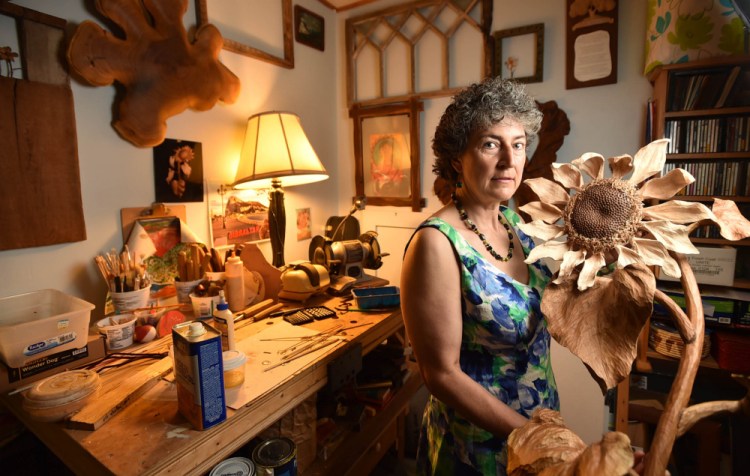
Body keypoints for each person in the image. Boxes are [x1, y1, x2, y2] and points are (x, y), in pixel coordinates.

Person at [400, 77, 559, 475]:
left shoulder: (519, 226)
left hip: (543, 425)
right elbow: (441, 374)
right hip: (479, 447)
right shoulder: (437, 244)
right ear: (457, 158)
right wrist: (531, 438)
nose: (510, 159)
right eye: (491, 144)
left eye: (518, 144)